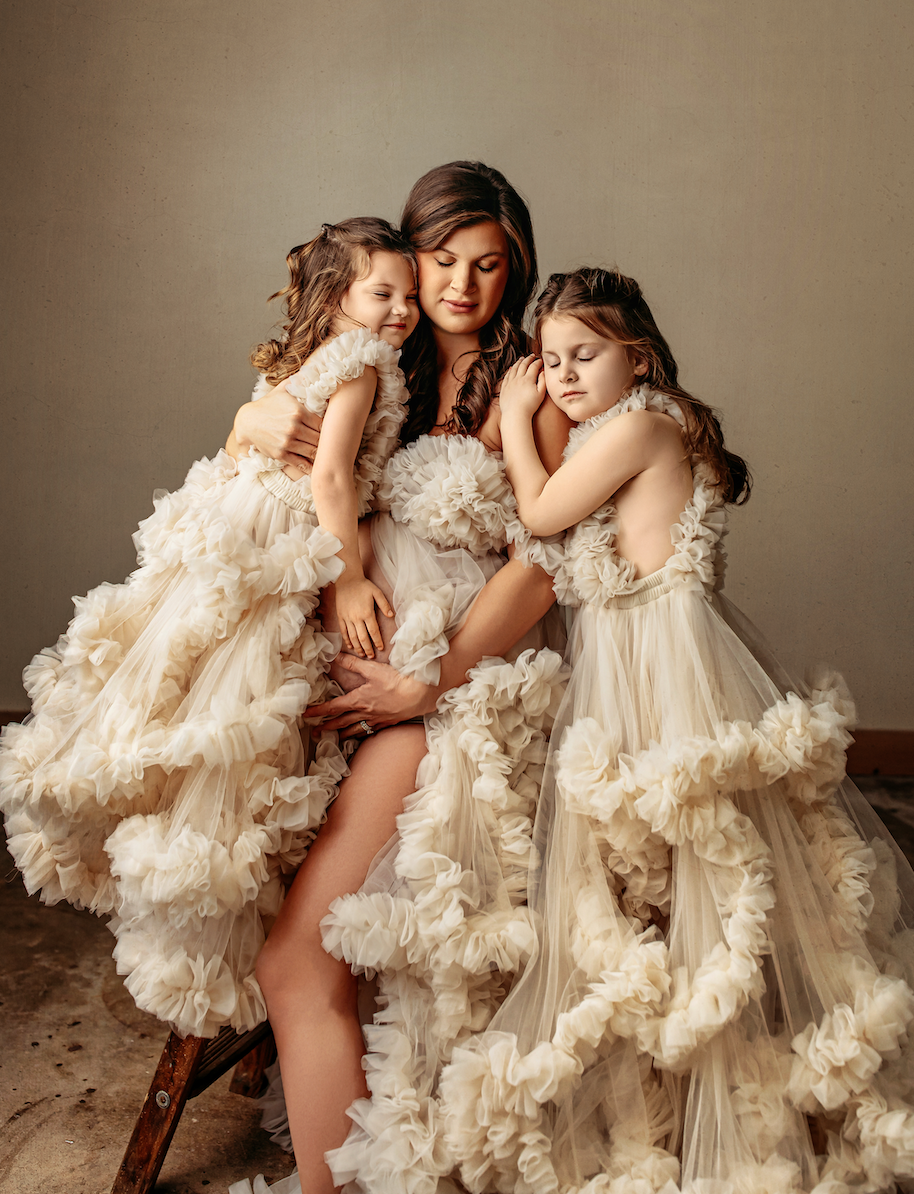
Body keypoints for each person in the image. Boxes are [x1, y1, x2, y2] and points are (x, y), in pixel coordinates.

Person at [430, 266, 914, 1192]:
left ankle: (727, 1106)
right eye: (547, 360)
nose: (562, 375)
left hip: (661, 667)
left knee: (696, 864)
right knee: (642, 876)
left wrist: (527, 425)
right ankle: (671, 1090)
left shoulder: (642, 426)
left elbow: (539, 513)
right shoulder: (628, 425)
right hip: (631, 654)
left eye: (583, 355)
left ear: (636, 356)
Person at [228, 162, 569, 1194]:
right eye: (440, 259)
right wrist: (251, 426)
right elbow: (263, 444)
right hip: (343, 703)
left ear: (514, 272)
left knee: (297, 957)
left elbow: (543, 558)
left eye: (489, 265)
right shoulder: (372, 357)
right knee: (295, 936)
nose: (462, 285)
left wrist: (435, 682)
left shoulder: (526, 385)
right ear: (406, 258)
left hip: (443, 700)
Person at [0, 218, 419, 1038]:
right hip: (277, 529)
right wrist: (353, 576)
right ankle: (208, 881)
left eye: (407, 295)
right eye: (384, 293)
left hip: (232, 517)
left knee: (193, 670)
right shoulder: (365, 361)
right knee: (243, 689)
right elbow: (332, 478)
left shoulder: (316, 354)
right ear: (338, 300)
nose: (401, 310)